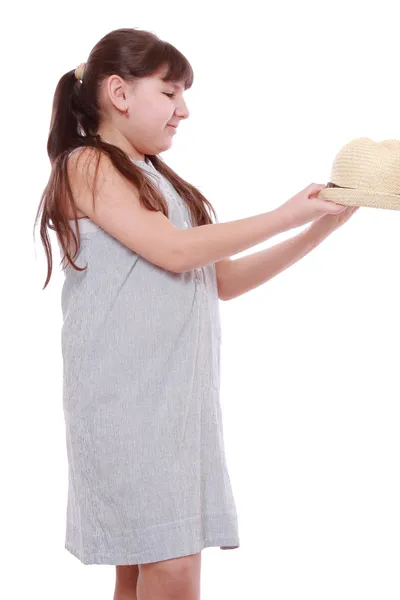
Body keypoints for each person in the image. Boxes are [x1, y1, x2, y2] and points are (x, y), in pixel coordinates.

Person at [34, 26, 358, 600]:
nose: (184, 110)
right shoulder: (86, 165)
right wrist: (287, 212)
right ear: (120, 93)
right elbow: (177, 251)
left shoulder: (158, 179)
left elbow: (221, 280)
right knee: (172, 565)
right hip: (126, 400)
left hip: (174, 402)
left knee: (149, 566)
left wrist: (321, 223)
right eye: (170, 92)